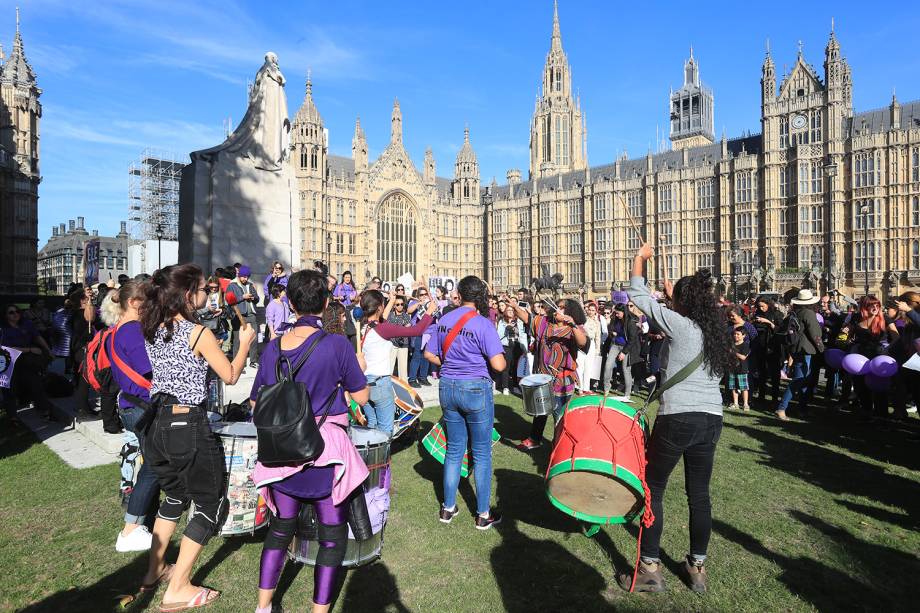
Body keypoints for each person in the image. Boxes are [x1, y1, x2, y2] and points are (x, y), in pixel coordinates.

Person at [249, 270, 370, 613]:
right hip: (325, 453)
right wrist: (359, 367)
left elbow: (258, 403)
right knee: (331, 537)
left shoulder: (273, 348)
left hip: (282, 452)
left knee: (280, 530)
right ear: (327, 303)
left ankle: (263, 606)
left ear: (288, 302)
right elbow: (361, 397)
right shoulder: (337, 345)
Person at [138, 263, 255, 610]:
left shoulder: (152, 328)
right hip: (186, 424)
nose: (209, 294)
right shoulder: (198, 333)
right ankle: (178, 587)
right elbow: (231, 375)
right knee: (209, 501)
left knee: (174, 496)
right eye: (204, 289)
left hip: (156, 423)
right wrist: (245, 342)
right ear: (189, 295)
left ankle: (154, 571)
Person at [620, 243, 736, 593]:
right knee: (699, 495)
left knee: (654, 489)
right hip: (711, 418)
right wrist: (676, 299)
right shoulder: (715, 332)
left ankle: (651, 567)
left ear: (682, 304)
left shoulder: (681, 327)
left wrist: (640, 257)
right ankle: (697, 566)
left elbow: (639, 294)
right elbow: (680, 313)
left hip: (678, 418)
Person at [423, 275, 505, 529]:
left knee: (454, 449)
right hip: (475, 388)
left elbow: (428, 353)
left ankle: (448, 508)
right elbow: (499, 364)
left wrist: (449, 364)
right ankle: (482, 514)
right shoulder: (483, 324)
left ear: (459, 293)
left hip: (448, 386)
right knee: (481, 454)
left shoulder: (445, 319)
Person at [107, 280, 160, 553]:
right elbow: (149, 367)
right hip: (143, 404)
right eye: (147, 300)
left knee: (152, 464)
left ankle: (141, 522)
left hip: (130, 404)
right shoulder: (133, 331)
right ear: (133, 303)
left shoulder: (114, 332)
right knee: (155, 466)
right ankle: (131, 528)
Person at [509, 295, 587, 451]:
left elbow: (582, 342)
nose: (558, 308)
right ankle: (535, 439)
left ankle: (560, 445)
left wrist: (573, 325)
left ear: (570, 311)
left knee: (560, 416)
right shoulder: (544, 323)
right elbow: (528, 319)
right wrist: (515, 306)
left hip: (562, 381)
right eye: (557, 305)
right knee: (540, 412)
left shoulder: (575, 329)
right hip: (543, 378)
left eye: (562, 307)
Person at [359, 290, 436, 434]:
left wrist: (392, 301)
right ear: (379, 308)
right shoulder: (382, 328)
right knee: (385, 431)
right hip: (379, 384)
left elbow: (381, 319)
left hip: (365, 382)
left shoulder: (365, 325)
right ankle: (382, 457)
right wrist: (429, 312)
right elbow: (417, 330)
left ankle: (368, 456)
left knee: (372, 426)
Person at [1, 304, 56, 424]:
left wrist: (48, 350)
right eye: (11, 312)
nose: (15, 314)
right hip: (8, 361)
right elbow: (7, 348)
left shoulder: (26, 324)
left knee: (35, 382)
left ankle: (45, 409)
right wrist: (30, 349)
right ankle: (12, 416)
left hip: (26, 360)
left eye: (17, 311)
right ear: (5, 316)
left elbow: (37, 337)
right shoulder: (3, 329)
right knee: (9, 387)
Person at [775, 289, 824, 421]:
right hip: (805, 350)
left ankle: (803, 409)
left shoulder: (794, 312)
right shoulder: (809, 313)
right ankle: (781, 408)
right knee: (798, 380)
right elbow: (815, 334)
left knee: (803, 380)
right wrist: (821, 349)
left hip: (795, 348)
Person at [849, 295, 895, 418]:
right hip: (860, 357)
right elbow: (850, 334)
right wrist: (848, 336)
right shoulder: (856, 317)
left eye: (877, 305)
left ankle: (881, 415)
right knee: (860, 385)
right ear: (864, 306)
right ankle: (866, 411)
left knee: (879, 387)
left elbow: (896, 337)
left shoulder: (884, 318)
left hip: (879, 356)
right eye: (871, 305)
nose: (875, 307)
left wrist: (887, 348)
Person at [70, 286, 103, 422]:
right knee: (84, 380)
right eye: (86, 298)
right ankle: (83, 411)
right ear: (81, 300)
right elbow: (90, 318)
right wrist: (89, 299)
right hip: (82, 349)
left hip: (81, 348)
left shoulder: (77, 313)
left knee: (82, 380)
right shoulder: (80, 313)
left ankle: (82, 407)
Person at [601, 302, 641, 402]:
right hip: (615, 345)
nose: (617, 315)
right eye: (616, 313)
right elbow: (610, 328)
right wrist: (612, 332)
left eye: (618, 313)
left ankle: (627, 394)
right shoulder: (615, 319)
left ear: (623, 312)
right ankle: (606, 388)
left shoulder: (631, 322)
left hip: (626, 348)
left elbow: (632, 340)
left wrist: (624, 352)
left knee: (626, 370)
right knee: (608, 365)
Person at [226, 265, 260, 369]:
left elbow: (257, 299)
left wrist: (253, 298)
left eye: (247, 277)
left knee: (254, 338)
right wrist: (242, 297)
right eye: (244, 277)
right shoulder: (232, 285)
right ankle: (239, 364)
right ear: (239, 276)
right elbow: (229, 299)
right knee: (238, 340)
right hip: (239, 316)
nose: (246, 279)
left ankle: (253, 360)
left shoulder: (250, 285)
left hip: (251, 315)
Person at [750, 297, 783, 402]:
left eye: (763, 306)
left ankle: (774, 396)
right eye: (759, 306)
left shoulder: (776, 314)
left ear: (768, 304)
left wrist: (768, 322)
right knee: (761, 372)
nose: (761, 308)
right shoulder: (757, 314)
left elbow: (780, 330)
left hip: (772, 347)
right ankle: (761, 395)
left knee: (774, 374)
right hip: (760, 346)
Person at [496, 305, 526, 395]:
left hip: (516, 345)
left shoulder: (518, 321)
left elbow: (521, 333)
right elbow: (499, 335)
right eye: (508, 310)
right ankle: (505, 387)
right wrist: (507, 327)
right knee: (506, 367)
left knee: (515, 367)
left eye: (512, 310)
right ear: (505, 311)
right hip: (506, 346)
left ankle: (515, 386)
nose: (510, 311)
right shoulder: (502, 322)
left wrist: (524, 347)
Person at [407, 288, 434, 388]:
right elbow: (409, 310)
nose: (423, 296)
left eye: (425, 294)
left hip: (429, 332)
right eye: (421, 295)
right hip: (418, 332)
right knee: (417, 355)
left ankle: (423, 377)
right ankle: (412, 378)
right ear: (418, 296)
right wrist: (418, 303)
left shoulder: (430, 303)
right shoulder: (414, 302)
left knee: (426, 356)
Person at [578, 302, 603, 394]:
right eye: (590, 310)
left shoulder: (597, 322)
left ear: (596, 311)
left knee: (589, 367)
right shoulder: (583, 320)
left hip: (591, 343)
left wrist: (597, 349)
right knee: (580, 366)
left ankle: (586, 388)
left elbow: (598, 337)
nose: (591, 312)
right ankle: (580, 388)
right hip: (582, 343)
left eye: (593, 310)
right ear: (587, 310)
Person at [387, 296, 412, 381]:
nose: (400, 306)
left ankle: (404, 388)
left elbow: (408, 327)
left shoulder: (406, 316)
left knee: (403, 370)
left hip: (403, 344)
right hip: (392, 344)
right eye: (397, 304)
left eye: (402, 304)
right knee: (389, 367)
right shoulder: (390, 316)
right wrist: (402, 327)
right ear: (394, 306)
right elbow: (389, 328)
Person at [728, 329, 751, 411]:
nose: (736, 336)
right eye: (734, 334)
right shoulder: (732, 344)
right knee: (733, 387)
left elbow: (743, 357)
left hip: (742, 369)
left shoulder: (745, 345)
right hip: (732, 368)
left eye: (738, 334)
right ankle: (735, 403)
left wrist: (733, 352)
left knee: (744, 387)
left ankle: (745, 404)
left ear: (743, 335)